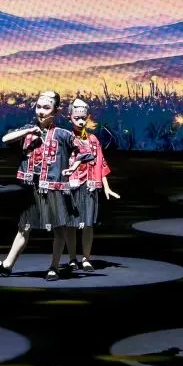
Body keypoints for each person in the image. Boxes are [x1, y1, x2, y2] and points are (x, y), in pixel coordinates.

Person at [0, 91, 93, 280]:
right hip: (32, 189)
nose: (41, 111)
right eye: (38, 107)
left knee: (58, 229)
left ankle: (54, 267)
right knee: (24, 227)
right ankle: (7, 265)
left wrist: (72, 167)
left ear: (56, 111)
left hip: (54, 189)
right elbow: (5, 139)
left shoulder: (62, 134)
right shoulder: (27, 130)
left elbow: (86, 152)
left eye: (46, 108)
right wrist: (28, 132)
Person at [66, 98, 118, 270]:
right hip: (71, 185)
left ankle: (86, 258)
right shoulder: (65, 138)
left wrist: (106, 186)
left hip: (89, 186)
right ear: (69, 117)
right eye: (76, 118)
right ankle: (72, 258)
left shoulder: (93, 140)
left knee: (88, 224)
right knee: (71, 224)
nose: (80, 122)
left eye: (83, 118)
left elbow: (100, 163)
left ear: (88, 117)